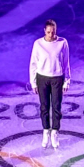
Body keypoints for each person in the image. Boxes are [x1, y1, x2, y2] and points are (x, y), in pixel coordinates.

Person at [29, 19, 70, 149]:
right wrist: (33, 82)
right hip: (42, 78)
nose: (51, 35)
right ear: (44, 31)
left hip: (57, 78)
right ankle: (46, 131)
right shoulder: (38, 44)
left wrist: (67, 81)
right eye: (48, 32)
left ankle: (55, 132)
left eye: (53, 32)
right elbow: (33, 63)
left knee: (56, 107)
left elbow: (66, 63)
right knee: (44, 107)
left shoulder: (62, 43)